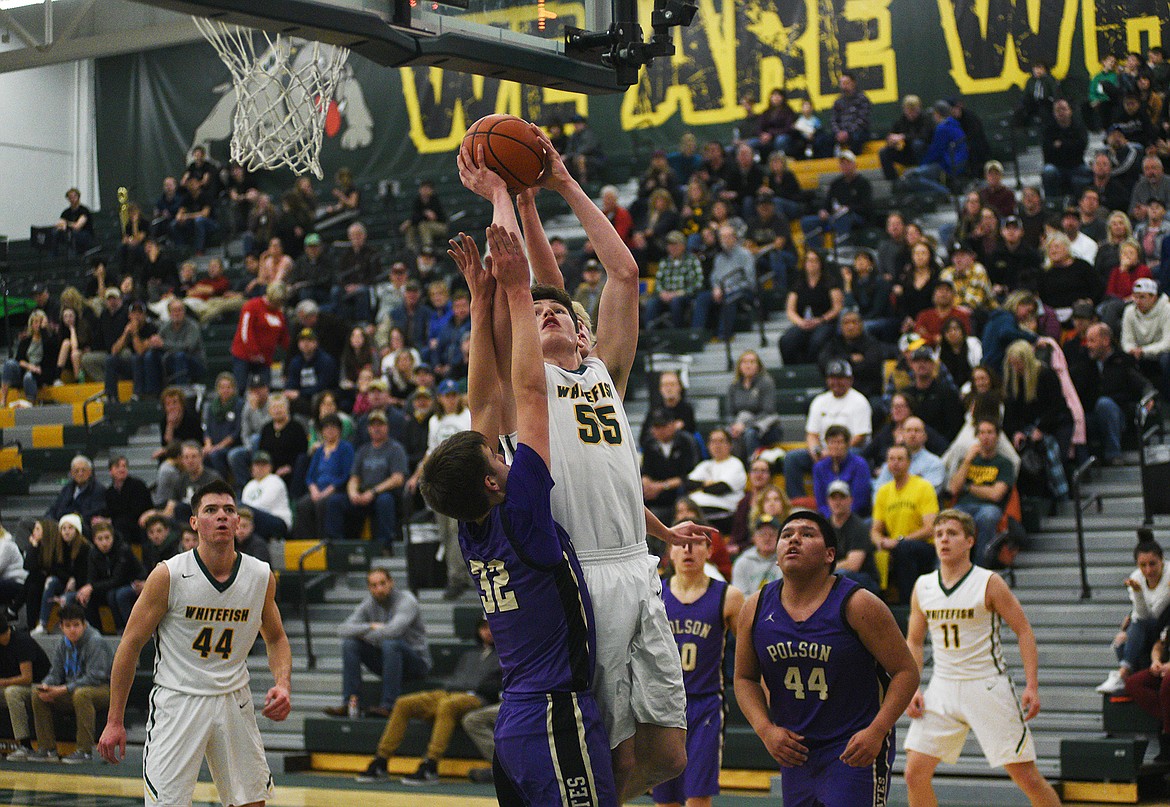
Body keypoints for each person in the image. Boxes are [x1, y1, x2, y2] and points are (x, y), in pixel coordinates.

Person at [461, 134, 705, 800]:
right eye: (532, 313)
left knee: (669, 753)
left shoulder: (606, 373)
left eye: (557, 312)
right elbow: (520, 281)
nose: (544, 313)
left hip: (638, 569)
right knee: (605, 752)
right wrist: (503, 198)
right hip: (584, 581)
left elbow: (622, 274)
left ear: (584, 333)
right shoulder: (528, 389)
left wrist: (562, 186)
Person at [419, 224, 619, 804]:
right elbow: (529, 393)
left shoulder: (473, 523)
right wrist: (512, 292)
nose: (503, 454)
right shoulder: (523, 508)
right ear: (492, 480)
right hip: (555, 717)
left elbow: (484, 405)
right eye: (494, 458)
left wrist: (480, 306)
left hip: (517, 721)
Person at [97, 480, 293, 807]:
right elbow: (129, 645)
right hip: (179, 699)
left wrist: (283, 684)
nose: (221, 516)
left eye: (229, 510)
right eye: (211, 510)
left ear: (237, 521)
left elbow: (276, 637)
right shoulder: (169, 575)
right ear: (193, 522)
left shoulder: (260, 575)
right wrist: (115, 719)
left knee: (253, 802)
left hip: (234, 699)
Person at [734, 510, 918, 807]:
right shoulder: (755, 607)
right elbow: (744, 678)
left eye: (807, 534)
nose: (794, 539)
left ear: (829, 555)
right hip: (797, 751)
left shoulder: (858, 603)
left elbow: (906, 672)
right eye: (787, 534)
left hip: (852, 746)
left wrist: (877, 731)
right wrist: (765, 729)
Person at [903, 510, 1061, 807]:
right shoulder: (922, 586)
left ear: (970, 541)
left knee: (1026, 776)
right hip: (942, 685)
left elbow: (1024, 630)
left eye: (951, 533)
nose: (944, 539)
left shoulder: (989, 582)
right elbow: (913, 641)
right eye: (938, 534)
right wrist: (913, 687)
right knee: (914, 773)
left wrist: (1032, 685)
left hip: (986, 684)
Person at [652, 539, 744, 807]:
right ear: (670, 551)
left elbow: (751, 650)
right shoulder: (654, 593)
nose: (688, 550)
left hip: (705, 704)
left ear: (710, 550)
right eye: (680, 543)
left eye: (696, 544)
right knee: (665, 796)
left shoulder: (729, 596)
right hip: (663, 705)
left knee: (697, 793)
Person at [356, 618, 500, 785]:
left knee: (447, 706)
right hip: (450, 692)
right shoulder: (469, 654)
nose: (487, 631)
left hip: (477, 697)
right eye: (484, 627)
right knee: (404, 703)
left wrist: (474, 688)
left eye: (491, 627)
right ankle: (381, 760)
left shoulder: (504, 655)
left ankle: (430, 764)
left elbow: (496, 686)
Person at [325, 568, 430, 718]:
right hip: (388, 661)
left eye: (382, 583)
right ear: (369, 588)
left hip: (416, 664)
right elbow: (342, 630)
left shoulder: (407, 601)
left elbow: (392, 631)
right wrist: (371, 626)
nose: (379, 589)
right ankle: (351, 703)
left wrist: (363, 633)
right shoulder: (369, 603)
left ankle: (388, 705)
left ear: (391, 582)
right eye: (374, 585)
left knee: (391, 644)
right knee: (350, 644)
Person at [21, 603, 112, 763]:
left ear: (84, 624)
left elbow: (95, 677)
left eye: (76, 625)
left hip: (101, 690)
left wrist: (63, 689)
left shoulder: (95, 641)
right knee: (38, 693)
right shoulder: (63, 643)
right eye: (68, 626)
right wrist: (46, 686)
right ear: (61, 627)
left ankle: (84, 751)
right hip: (73, 690)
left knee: (82, 694)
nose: (72, 629)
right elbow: (55, 673)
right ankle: (47, 749)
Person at [782, 360, 872, 500]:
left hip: (849, 451)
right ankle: (798, 502)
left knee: (858, 456)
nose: (836, 382)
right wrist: (816, 451)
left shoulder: (859, 401)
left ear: (850, 380)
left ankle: (849, 502)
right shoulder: (819, 401)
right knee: (791, 459)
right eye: (832, 378)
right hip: (824, 450)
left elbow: (860, 437)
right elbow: (812, 434)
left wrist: (834, 451)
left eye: (841, 378)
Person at [327, 409, 409, 556]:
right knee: (335, 501)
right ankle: (337, 548)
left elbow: (398, 478)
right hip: (363, 494)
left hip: (384, 494)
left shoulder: (395, 449)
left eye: (380, 425)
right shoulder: (363, 450)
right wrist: (353, 493)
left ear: (387, 427)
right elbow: (354, 478)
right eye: (373, 425)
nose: (376, 428)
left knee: (385, 501)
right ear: (368, 429)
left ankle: (385, 547)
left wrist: (373, 492)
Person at [1097, 533, 1170, 694]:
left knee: (1137, 627)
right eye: (1143, 565)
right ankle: (1128, 679)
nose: (1148, 570)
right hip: (1148, 626)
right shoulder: (1136, 577)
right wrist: (1137, 593)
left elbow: (1157, 612)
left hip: (1165, 626)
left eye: (1153, 564)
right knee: (1121, 642)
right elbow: (1143, 614)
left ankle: (1122, 674)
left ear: (1162, 560)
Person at [871, 444, 939, 603]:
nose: (895, 463)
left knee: (904, 549)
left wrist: (900, 540)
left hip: (923, 546)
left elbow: (930, 528)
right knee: (867, 551)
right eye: (891, 459)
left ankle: (907, 605)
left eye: (900, 459)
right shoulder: (883, 491)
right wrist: (880, 542)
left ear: (909, 463)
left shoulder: (923, 487)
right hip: (895, 546)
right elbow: (875, 530)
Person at [947, 419, 1015, 564]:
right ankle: (947, 567)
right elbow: (953, 488)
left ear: (997, 437)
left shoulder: (1004, 463)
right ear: (977, 436)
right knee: (950, 519)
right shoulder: (968, 461)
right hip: (963, 506)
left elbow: (995, 495)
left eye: (990, 432)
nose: (985, 437)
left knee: (987, 516)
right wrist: (967, 461)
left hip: (990, 507)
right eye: (982, 433)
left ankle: (981, 566)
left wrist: (969, 487)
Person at [0, 613, 52, 761]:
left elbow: (26, 678)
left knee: (12, 692)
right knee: (11, 690)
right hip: (13, 683)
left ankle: (25, 746)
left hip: (38, 686)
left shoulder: (22, 641)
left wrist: (2, 682)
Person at [826, 480, 880, 594]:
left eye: (842, 497)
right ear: (828, 501)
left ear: (851, 500)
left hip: (864, 580)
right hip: (834, 574)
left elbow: (853, 565)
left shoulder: (859, 527)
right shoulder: (824, 527)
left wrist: (822, 569)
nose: (837, 502)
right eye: (833, 498)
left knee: (840, 576)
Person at [811, 424, 872, 516]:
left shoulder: (859, 465)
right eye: (832, 442)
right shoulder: (819, 468)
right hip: (829, 517)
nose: (835, 446)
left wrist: (842, 515)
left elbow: (860, 500)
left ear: (847, 445)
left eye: (839, 442)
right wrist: (831, 517)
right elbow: (821, 502)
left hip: (856, 516)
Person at [730, 515, 781, 593]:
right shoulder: (742, 562)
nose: (767, 538)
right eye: (762, 534)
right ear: (753, 537)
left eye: (772, 534)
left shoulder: (785, 560)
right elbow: (740, 595)